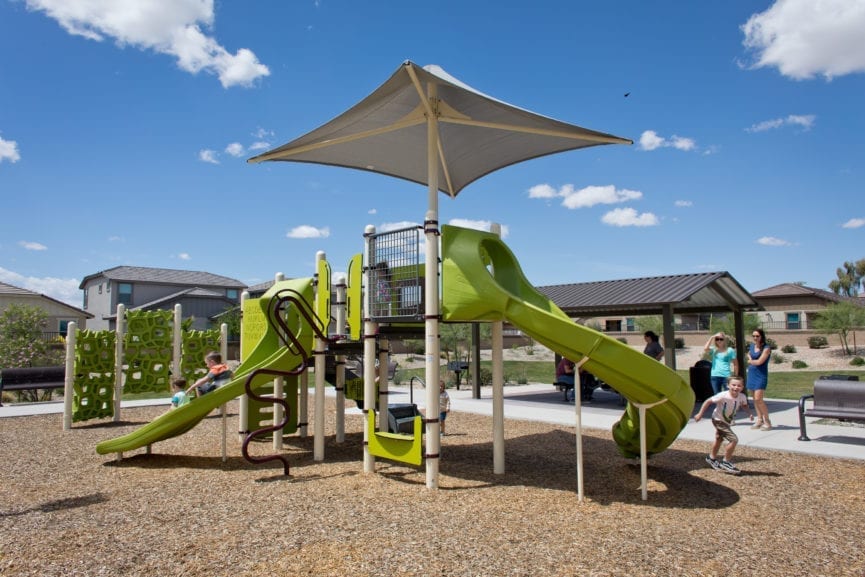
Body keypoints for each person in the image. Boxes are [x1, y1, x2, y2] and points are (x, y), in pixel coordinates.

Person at [694, 376, 754, 474]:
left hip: (726, 421)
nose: (736, 387)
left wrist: (749, 413)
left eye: (739, 386)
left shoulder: (742, 396)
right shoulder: (723, 395)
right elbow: (708, 401)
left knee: (719, 438)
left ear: (742, 387)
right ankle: (726, 461)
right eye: (733, 385)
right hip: (718, 420)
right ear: (728, 385)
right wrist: (700, 414)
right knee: (733, 439)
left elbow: (744, 405)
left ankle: (711, 458)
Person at [747, 328, 772, 430]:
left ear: (762, 336)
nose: (755, 338)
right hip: (751, 374)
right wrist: (750, 359)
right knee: (754, 400)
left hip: (760, 375)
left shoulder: (766, 348)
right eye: (754, 336)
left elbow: (760, 362)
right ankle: (759, 420)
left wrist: (751, 361)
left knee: (759, 399)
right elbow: (749, 354)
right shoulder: (752, 346)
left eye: (757, 336)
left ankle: (767, 421)